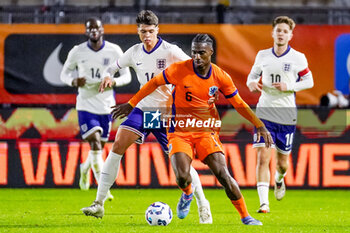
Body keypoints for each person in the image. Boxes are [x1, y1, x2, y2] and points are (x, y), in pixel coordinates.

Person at [110, 34, 273, 225]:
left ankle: (245, 216)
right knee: (182, 176)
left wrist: (259, 124)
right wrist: (131, 103)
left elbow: (238, 103)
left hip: (205, 130)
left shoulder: (220, 76)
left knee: (223, 174)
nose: (196, 56)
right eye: (194, 52)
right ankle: (187, 194)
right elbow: (153, 83)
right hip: (179, 131)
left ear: (210, 53)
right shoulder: (179, 69)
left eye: (201, 53)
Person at [81, 10, 213, 224]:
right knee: (117, 147)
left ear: (157, 30)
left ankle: (202, 204)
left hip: (166, 114)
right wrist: (107, 75)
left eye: (151, 31)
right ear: (138, 31)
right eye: (143, 32)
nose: (147, 36)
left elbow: (195, 68)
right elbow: (113, 66)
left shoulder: (171, 51)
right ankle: (99, 204)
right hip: (143, 110)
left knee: (182, 166)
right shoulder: (134, 52)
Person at [246, 16, 314, 213]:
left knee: (282, 163)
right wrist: (252, 83)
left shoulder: (298, 58)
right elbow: (252, 76)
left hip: (286, 115)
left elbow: (309, 81)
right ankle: (263, 204)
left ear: (290, 35)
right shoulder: (262, 55)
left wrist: (289, 86)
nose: (281, 34)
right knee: (262, 157)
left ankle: (279, 179)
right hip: (264, 111)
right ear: (273, 33)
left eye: (285, 31)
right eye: (278, 30)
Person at [60, 17, 132, 200]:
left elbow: (127, 76)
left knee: (98, 147)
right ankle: (104, 190)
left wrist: (113, 81)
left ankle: (84, 170)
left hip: (106, 105)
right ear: (86, 32)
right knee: (94, 142)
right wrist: (73, 81)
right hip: (85, 103)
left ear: (102, 30)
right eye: (90, 29)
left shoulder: (114, 50)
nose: (93, 31)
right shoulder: (77, 51)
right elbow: (64, 73)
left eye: (96, 28)